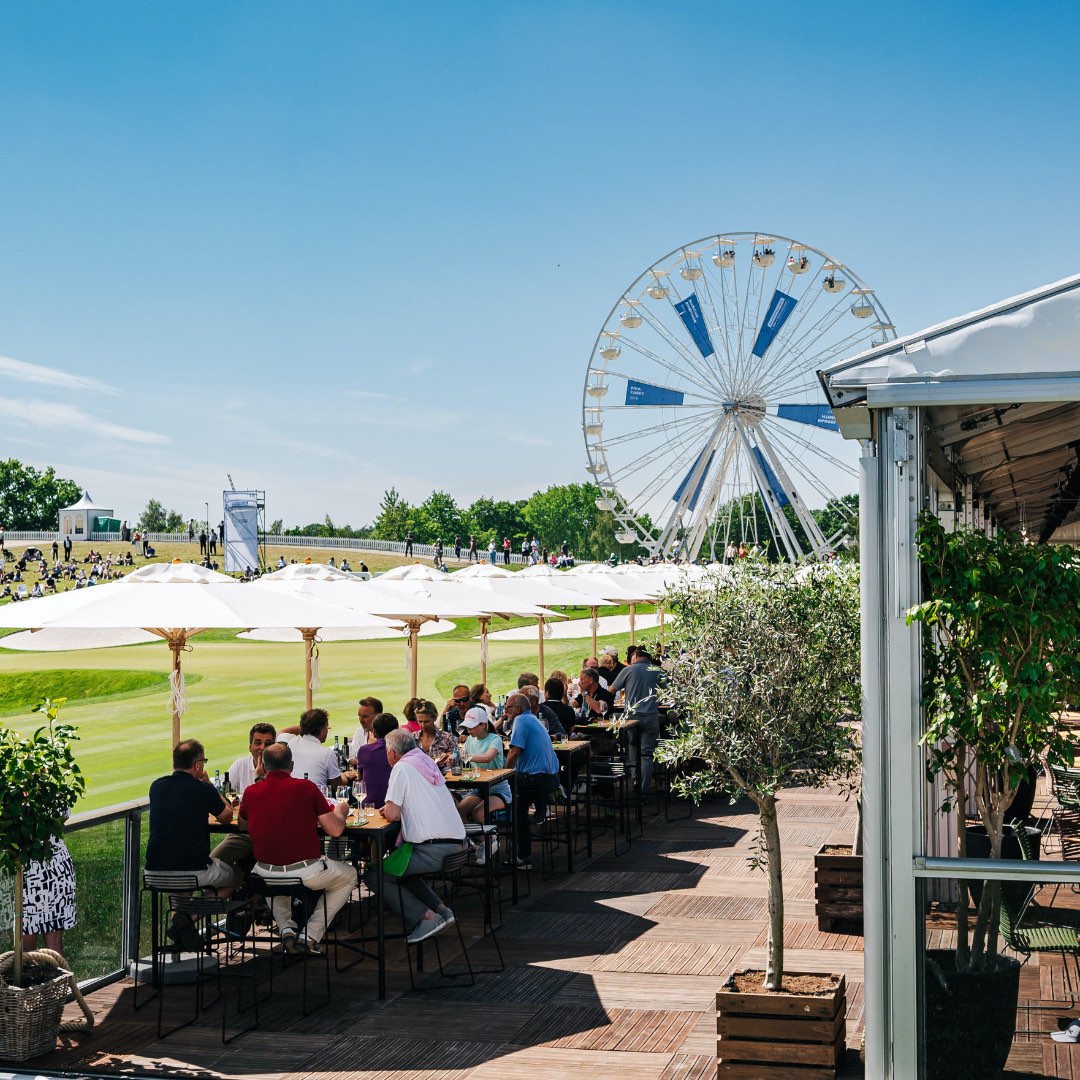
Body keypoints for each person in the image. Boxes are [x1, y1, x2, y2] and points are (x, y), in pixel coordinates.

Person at [243, 742, 355, 955]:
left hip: (264, 873)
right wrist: (342, 810)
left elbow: (242, 822)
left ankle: (287, 928)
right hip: (304, 871)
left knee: (276, 879)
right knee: (350, 875)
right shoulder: (306, 788)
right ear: (292, 765)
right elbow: (335, 831)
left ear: (264, 767)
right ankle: (310, 934)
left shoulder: (251, 791)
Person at [365, 728, 465, 943]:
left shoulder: (401, 767)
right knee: (401, 871)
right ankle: (442, 911)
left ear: (391, 752)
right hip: (458, 845)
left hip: (433, 850)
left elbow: (391, 814)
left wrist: (389, 809)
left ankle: (426, 918)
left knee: (374, 875)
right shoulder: (425, 760)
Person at [146, 739, 241, 946]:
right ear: (198, 765)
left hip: (153, 872)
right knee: (236, 876)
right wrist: (208, 785)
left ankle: (181, 928)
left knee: (182, 879)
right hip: (191, 871)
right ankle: (187, 919)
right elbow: (226, 817)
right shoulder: (202, 789)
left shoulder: (156, 786)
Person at [504, 693, 560, 871]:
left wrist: (504, 774)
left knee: (516, 806)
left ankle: (523, 856)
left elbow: (514, 752)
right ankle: (521, 851)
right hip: (551, 777)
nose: (505, 712)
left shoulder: (521, 721)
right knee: (516, 799)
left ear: (518, 709)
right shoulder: (533, 719)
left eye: (508, 708)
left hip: (537, 779)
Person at [456, 708, 511, 860]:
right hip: (479, 788)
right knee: (459, 812)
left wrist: (466, 757)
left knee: (478, 813)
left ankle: (487, 841)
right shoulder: (469, 740)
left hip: (498, 788)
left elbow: (488, 757)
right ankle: (485, 840)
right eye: (468, 726)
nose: (469, 729)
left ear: (483, 725)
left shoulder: (495, 739)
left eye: (472, 726)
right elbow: (464, 763)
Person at [610, 647, 665, 793]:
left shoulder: (628, 670)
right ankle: (644, 790)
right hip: (650, 715)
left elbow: (611, 691)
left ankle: (635, 781)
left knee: (633, 748)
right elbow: (671, 691)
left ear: (636, 655)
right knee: (647, 754)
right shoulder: (657, 670)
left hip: (631, 717)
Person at [20, 830, 77, 957]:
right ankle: (59, 976)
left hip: (29, 870)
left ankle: (44, 976)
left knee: (27, 946)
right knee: (54, 944)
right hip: (56, 867)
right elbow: (63, 816)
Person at [277, 708, 355, 789]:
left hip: (293, 793)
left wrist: (305, 727)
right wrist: (346, 776)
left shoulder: (291, 742)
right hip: (315, 798)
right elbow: (338, 785)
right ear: (321, 730)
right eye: (326, 727)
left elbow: (281, 732)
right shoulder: (327, 753)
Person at [354, 712, 398, 807]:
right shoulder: (402, 751)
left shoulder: (364, 750)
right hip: (393, 807)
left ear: (374, 732)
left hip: (369, 806)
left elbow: (360, 778)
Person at [226, 723, 278, 796]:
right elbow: (226, 793)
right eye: (258, 743)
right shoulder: (239, 765)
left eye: (268, 744)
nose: (262, 747)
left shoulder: (281, 768)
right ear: (250, 747)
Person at [415, 700, 456, 767]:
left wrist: (449, 758)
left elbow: (451, 761)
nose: (423, 725)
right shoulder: (412, 738)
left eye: (426, 722)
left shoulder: (447, 738)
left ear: (435, 718)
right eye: (420, 721)